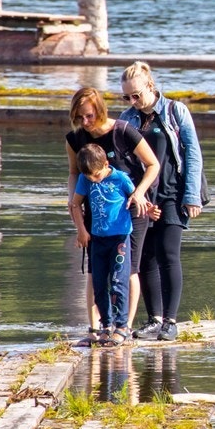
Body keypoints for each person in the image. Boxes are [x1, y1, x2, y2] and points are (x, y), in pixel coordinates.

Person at [118, 61, 206, 342]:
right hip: (143, 195)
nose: (133, 101)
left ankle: (170, 320)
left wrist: (191, 196)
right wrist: (136, 194)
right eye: (127, 97)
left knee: (168, 254)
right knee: (144, 257)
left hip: (172, 193)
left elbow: (192, 155)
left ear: (151, 87)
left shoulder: (174, 112)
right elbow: (124, 162)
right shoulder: (127, 118)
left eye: (137, 95)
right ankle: (153, 319)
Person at [66, 87, 159, 333]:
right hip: (96, 214)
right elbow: (74, 173)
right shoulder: (75, 138)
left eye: (89, 116)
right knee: (95, 271)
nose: (84, 122)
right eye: (79, 117)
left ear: (100, 110)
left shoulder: (123, 131)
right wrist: (72, 200)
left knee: (128, 269)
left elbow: (152, 164)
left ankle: (124, 326)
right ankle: (96, 327)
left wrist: (139, 193)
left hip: (129, 210)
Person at [69, 143, 135, 346]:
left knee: (117, 282)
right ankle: (106, 326)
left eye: (96, 175)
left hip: (119, 239)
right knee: (99, 284)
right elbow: (75, 204)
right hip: (97, 239)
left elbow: (136, 196)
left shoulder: (120, 178)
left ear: (106, 164)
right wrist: (81, 230)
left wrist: (147, 207)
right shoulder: (84, 179)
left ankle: (122, 326)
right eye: (89, 177)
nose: (93, 179)